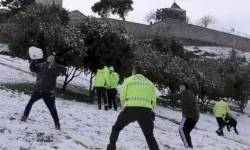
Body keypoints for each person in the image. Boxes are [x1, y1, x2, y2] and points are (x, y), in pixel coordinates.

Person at [107, 65, 159, 150]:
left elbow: (122, 96)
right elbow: (153, 101)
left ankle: (111, 147)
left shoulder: (128, 80)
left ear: (134, 72)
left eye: (132, 71)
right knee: (149, 136)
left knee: (116, 128)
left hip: (131, 108)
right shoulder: (150, 84)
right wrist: (151, 112)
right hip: (146, 111)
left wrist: (124, 107)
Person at [21, 52, 67, 130]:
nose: (51, 58)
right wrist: (33, 60)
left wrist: (61, 69)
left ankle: (57, 123)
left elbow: (64, 70)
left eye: (53, 57)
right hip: (39, 90)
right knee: (30, 103)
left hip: (49, 92)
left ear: (54, 59)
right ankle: (25, 116)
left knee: (52, 109)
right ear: (47, 57)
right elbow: (32, 68)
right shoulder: (41, 65)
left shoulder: (55, 67)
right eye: (50, 56)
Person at [162, 84, 199, 149]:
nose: (180, 89)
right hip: (195, 117)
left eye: (182, 87)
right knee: (185, 132)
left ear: (186, 88)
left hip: (189, 115)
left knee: (181, 128)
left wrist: (166, 96)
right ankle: (190, 146)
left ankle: (188, 147)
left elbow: (176, 96)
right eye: (180, 87)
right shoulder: (190, 94)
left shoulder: (185, 93)